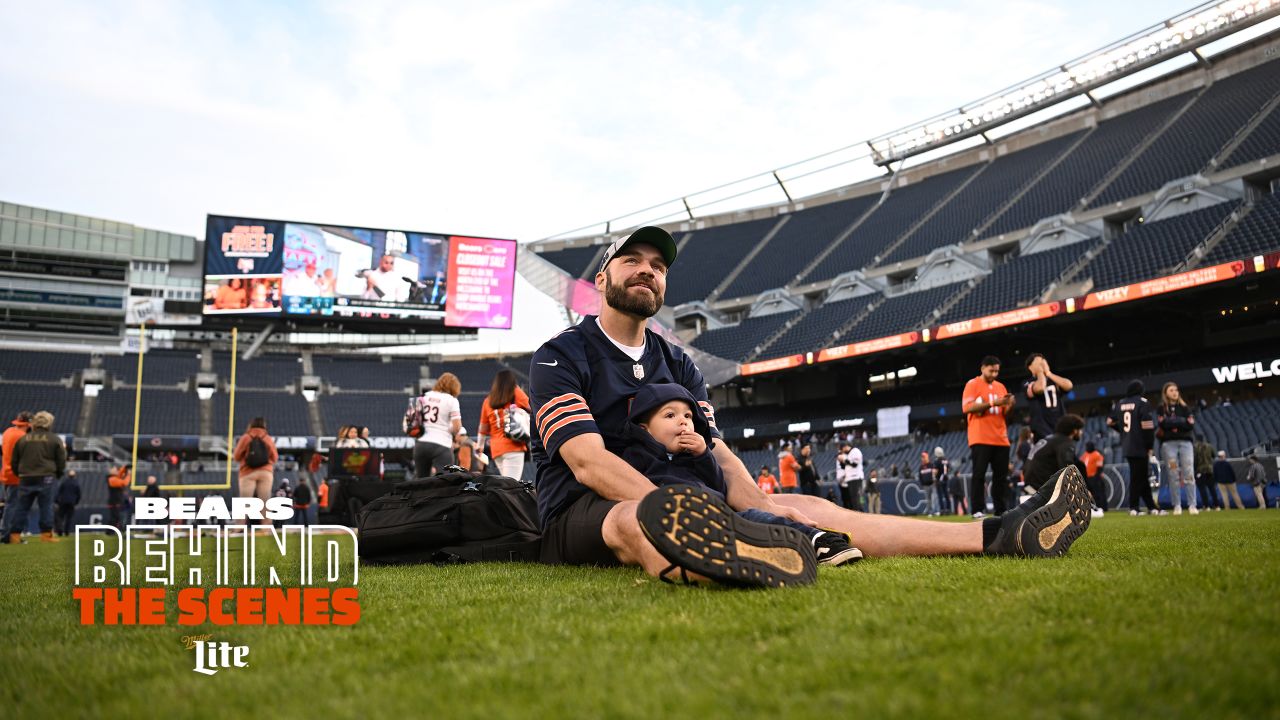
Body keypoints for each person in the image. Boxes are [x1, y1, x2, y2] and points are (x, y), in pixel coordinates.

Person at [527, 226, 1091, 588]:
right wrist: (691, 511)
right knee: (638, 520)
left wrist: (761, 511)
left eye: (660, 265)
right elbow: (588, 464)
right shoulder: (561, 354)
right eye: (633, 260)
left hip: (694, 497)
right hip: (588, 510)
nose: (649, 270)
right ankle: (721, 549)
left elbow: (720, 458)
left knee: (810, 508)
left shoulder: (679, 364)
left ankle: (999, 534)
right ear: (602, 278)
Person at [619, 383, 861, 567]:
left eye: (688, 416)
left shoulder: (692, 456)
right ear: (645, 429)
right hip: (689, 522)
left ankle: (817, 539)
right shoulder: (637, 456)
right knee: (749, 531)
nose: (683, 422)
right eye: (670, 416)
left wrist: (703, 454)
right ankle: (793, 548)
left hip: (721, 512)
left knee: (756, 518)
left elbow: (718, 485)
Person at [963, 355, 1015, 518]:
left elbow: (1005, 413)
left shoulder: (1001, 386)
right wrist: (993, 403)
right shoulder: (973, 384)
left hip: (1000, 437)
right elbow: (967, 408)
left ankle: (1001, 510)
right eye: (991, 370)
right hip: (980, 437)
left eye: (997, 371)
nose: (994, 374)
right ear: (983, 368)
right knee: (979, 475)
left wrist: (1010, 405)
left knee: (1001, 477)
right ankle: (978, 509)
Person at [7, 411, 67, 544]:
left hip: (25, 476)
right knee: (46, 506)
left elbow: (14, 461)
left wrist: (20, 474)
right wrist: (58, 474)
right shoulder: (54, 439)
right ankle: (46, 535)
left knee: (21, 507)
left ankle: (14, 536)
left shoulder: (23, 439)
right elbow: (61, 460)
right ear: (49, 423)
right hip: (46, 476)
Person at [1108, 381, 1159, 516]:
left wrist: (1124, 432)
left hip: (1127, 445)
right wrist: (1150, 446)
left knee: (1141, 477)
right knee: (1138, 478)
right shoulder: (1143, 402)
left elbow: (1109, 421)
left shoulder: (1120, 403)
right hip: (1140, 445)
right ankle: (1134, 507)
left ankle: (1151, 507)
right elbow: (1148, 426)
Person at [478, 369, 532, 480]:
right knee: (511, 486)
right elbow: (532, 407)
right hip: (513, 446)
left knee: (506, 483)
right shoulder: (515, 392)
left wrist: (480, 446)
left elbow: (483, 428)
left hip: (496, 449)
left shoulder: (487, 401)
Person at [1156, 382, 1198, 515]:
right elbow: (1162, 423)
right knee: (1173, 474)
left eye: (1176, 390)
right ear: (1166, 393)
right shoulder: (1161, 408)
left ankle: (1192, 505)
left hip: (1185, 443)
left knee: (1189, 472)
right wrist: (1181, 421)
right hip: (1169, 444)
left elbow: (1190, 424)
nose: (1175, 392)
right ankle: (1177, 505)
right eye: (1171, 390)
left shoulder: (1185, 407)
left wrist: (1173, 422)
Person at [410, 373, 462, 478]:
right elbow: (457, 427)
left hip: (421, 444)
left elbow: (414, 419)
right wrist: (449, 430)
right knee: (444, 482)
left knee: (421, 482)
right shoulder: (452, 400)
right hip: (441, 445)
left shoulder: (425, 396)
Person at [1023, 415, 1088, 496]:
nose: (1081, 432)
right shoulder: (1065, 442)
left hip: (1029, 486)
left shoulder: (1049, 439)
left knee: (1080, 465)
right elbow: (1067, 468)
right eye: (1080, 430)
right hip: (1040, 489)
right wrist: (1081, 491)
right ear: (1074, 431)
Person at [233, 417, 278, 526]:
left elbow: (236, 456)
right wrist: (266, 463)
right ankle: (266, 528)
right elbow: (275, 457)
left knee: (244, 503)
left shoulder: (246, 437)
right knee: (265, 503)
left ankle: (238, 527)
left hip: (248, 472)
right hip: (265, 472)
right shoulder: (267, 438)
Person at [1022, 353, 1073, 444]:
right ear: (1030, 367)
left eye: (1043, 362)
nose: (1042, 364)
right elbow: (1040, 388)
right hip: (1042, 430)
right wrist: (1040, 372)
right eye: (1038, 363)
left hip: (1060, 427)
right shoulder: (1027, 383)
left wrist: (1049, 373)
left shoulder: (1053, 380)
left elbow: (1068, 385)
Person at [0, 411, 31, 542]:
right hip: (17, 475)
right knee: (13, 506)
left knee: (9, 504)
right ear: (28, 424)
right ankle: (7, 535)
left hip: (6, 473)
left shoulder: (7, 432)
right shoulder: (23, 436)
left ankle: (7, 533)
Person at [1193, 435, 1223, 511]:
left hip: (1200, 471)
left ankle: (1206, 506)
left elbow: (1195, 460)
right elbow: (1214, 456)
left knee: (1202, 489)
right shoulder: (1209, 446)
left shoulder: (1195, 447)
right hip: (1209, 470)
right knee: (1212, 489)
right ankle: (1217, 506)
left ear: (1196, 439)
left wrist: (1195, 470)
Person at [1080, 441, 1107, 517]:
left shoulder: (1097, 454)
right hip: (1086, 477)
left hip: (1094, 477)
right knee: (1089, 494)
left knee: (1098, 493)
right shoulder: (1084, 455)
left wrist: (1096, 476)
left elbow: (1099, 466)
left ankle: (1101, 508)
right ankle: (1091, 508)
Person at [53, 469, 81, 536]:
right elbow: (79, 494)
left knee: (60, 516)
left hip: (63, 502)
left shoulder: (64, 482)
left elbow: (59, 492)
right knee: (69, 517)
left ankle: (60, 529)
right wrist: (76, 502)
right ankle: (67, 531)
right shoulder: (76, 483)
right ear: (75, 476)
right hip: (71, 502)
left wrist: (56, 501)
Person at [835, 443, 862, 511]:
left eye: (842, 449)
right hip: (850, 479)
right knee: (852, 498)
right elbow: (845, 466)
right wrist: (842, 461)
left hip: (856, 478)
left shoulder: (855, 451)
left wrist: (844, 460)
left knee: (857, 497)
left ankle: (860, 513)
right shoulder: (849, 454)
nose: (842, 451)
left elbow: (855, 464)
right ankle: (856, 513)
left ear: (846, 446)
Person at [918, 450, 939, 516]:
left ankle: (936, 511)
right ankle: (930, 512)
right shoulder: (921, 467)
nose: (923, 458)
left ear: (927, 456)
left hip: (932, 484)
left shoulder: (931, 465)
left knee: (934, 498)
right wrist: (922, 484)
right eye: (922, 457)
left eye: (924, 456)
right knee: (928, 499)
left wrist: (935, 480)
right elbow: (920, 476)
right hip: (925, 485)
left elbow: (936, 473)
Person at [931, 447, 951, 517]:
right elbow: (948, 469)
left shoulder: (937, 461)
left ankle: (942, 510)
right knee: (946, 495)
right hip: (945, 479)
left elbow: (935, 471)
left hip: (939, 480)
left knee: (940, 496)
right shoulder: (946, 460)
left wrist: (933, 478)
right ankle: (948, 509)